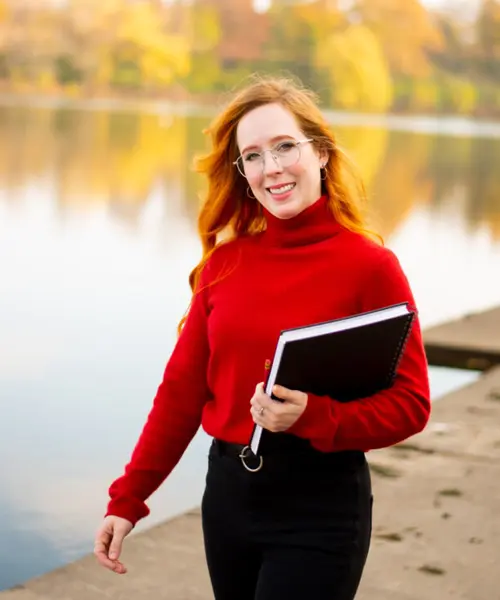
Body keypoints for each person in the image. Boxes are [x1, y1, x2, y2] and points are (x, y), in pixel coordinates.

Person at [94, 75, 430, 600]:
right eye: (252, 155)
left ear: (319, 152)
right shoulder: (224, 264)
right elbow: (180, 394)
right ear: (242, 171)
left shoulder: (372, 268)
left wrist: (316, 416)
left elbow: (411, 405)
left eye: (284, 147)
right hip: (228, 500)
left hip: (320, 507)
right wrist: (128, 498)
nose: (271, 168)